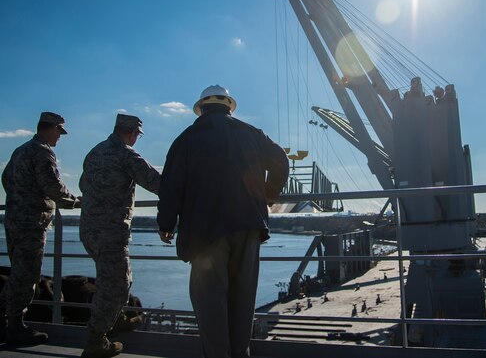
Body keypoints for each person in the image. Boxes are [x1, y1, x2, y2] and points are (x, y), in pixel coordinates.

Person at [157, 85, 288, 358]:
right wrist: (268, 195)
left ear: (201, 108)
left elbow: (171, 185)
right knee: (243, 300)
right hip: (249, 226)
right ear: (229, 106)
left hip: (206, 231)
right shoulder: (251, 133)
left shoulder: (187, 138)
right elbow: (281, 160)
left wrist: (166, 223)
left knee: (210, 303)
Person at [78, 114, 161, 358]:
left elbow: (83, 185)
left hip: (89, 231)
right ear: (132, 134)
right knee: (117, 285)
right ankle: (96, 340)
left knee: (108, 279)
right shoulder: (127, 155)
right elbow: (157, 183)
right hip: (111, 232)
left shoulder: (94, 152)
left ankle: (116, 319)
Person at [1, 112, 80, 344]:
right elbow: (53, 186)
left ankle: (6, 321)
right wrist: (75, 201)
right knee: (27, 276)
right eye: (60, 132)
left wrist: (21, 197)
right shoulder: (43, 152)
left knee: (18, 272)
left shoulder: (20, 150)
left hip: (15, 219)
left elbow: (6, 179)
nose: (60, 137)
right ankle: (14, 327)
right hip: (32, 223)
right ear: (52, 128)